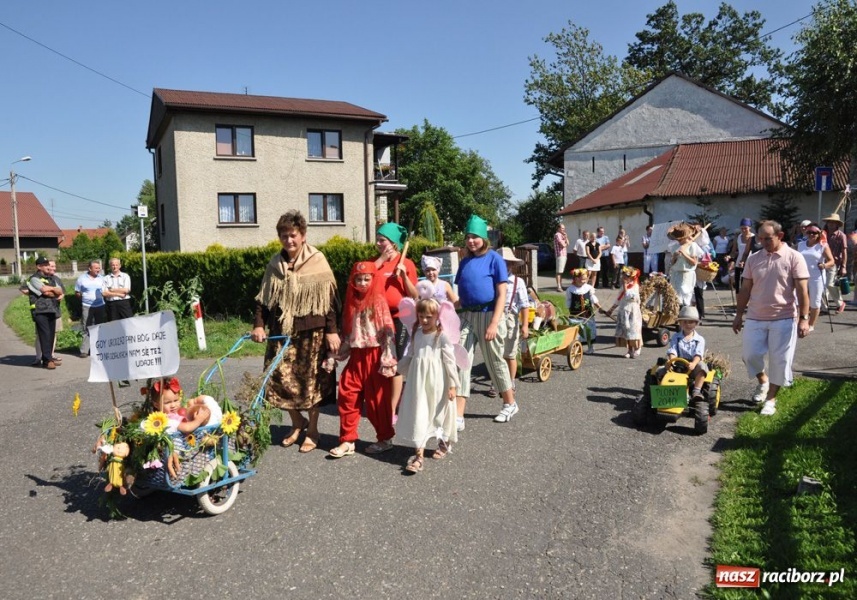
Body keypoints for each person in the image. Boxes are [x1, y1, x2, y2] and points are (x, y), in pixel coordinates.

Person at [251, 210, 340, 454]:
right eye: (284, 235)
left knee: (310, 384)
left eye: (293, 235)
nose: (288, 240)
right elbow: (264, 300)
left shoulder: (318, 260)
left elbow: (330, 300)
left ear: (303, 235)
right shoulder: (274, 264)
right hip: (281, 332)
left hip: (313, 333)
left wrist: (332, 331)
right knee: (276, 379)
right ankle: (296, 422)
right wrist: (259, 324)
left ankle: (312, 430)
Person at [732, 220, 810, 416]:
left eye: (768, 238)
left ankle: (771, 399)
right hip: (755, 316)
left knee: (780, 360)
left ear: (780, 236)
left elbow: (802, 291)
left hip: (783, 318)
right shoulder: (753, 258)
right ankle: (763, 381)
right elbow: (745, 289)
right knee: (749, 355)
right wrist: (739, 315)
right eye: (760, 238)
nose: (763, 242)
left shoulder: (794, 257)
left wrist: (804, 318)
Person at [454, 214, 518, 428]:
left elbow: (502, 293)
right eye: (468, 237)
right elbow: (461, 295)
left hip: (489, 315)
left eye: (475, 237)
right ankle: (459, 416)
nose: (471, 241)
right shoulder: (464, 261)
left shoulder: (494, 259)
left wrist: (494, 322)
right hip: (466, 315)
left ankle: (509, 403)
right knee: (461, 361)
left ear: (483, 238)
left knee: (494, 361)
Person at [329, 261, 398, 458]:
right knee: (347, 395)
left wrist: (388, 359)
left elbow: (388, 332)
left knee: (378, 402)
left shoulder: (378, 302)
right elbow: (348, 333)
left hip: (374, 355)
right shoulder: (351, 302)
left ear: (374, 280)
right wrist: (335, 356)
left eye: (367, 279)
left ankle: (385, 439)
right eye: (358, 279)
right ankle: (347, 440)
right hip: (357, 356)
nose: (362, 283)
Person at [395, 297, 461, 473]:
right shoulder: (416, 334)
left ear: (437, 317)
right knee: (420, 413)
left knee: (439, 414)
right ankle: (419, 456)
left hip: (438, 383)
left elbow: (449, 362)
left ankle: (443, 442)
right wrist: (399, 367)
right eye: (421, 316)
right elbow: (412, 355)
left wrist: (453, 385)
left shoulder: (441, 337)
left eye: (429, 317)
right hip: (418, 383)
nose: (424, 320)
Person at [374, 222, 418, 423]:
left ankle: (392, 408)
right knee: (380, 360)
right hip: (379, 318)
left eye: (382, 240)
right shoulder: (378, 263)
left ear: (393, 243)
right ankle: (382, 403)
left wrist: (403, 277)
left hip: (400, 318)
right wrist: (380, 261)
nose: (378, 243)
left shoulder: (406, 263)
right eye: (378, 240)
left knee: (396, 363)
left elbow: (415, 294)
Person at [490, 247, 530, 396]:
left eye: (507, 263)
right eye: (501, 263)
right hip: (494, 317)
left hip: (510, 318)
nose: (504, 266)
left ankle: (511, 381)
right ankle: (496, 382)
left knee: (510, 354)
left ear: (512, 265)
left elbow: (524, 305)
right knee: (495, 353)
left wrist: (525, 325)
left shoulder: (518, 282)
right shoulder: (492, 280)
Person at [663, 306, 709, 402]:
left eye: (690, 322)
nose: (687, 324)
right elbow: (673, 350)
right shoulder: (676, 337)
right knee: (659, 370)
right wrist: (671, 361)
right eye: (684, 322)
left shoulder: (700, 339)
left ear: (696, 323)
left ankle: (696, 391)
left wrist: (693, 363)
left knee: (702, 367)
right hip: (679, 363)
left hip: (693, 364)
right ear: (680, 323)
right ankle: (661, 392)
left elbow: (698, 354)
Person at [27, 257, 64, 369]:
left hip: (52, 309)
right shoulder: (34, 279)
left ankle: (48, 358)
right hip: (40, 311)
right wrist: (53, 291)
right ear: (39, 267)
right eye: (45, 265)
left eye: (48, 264)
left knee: (51, 335)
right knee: (44, 335)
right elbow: (45, 292)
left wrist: (51, 290)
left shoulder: (52, 278)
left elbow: (60, 291)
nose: (48, 266)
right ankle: (47, 361)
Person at [797, 223, 834, 331]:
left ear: (819, 234)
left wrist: (824, 265)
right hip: (802, 276)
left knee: (815, 301)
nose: (812, 234)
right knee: (800, 300)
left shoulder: (823, 246)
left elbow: (831, 261)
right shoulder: (801, 245)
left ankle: (811, 324)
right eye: (809, 232)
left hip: (816, 277)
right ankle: (801, 320)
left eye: (814, 232)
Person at [605, 266, 643, 358]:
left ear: (631, 277)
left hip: (632, 311)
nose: (623, 278)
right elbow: (619, 298)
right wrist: (611, 309)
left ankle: (637, 348)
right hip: (623, 310)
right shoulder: (623, 286)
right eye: (623, 276)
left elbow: (630, 297)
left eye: (626, 276)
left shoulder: (635, 286)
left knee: (634, 329)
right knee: (626, 331)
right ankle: (629, 350)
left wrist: (626, 287)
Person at [565, 268, 601, 355]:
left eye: (585, 279)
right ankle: (576, 347)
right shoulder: (570, 289)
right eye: (581, 279)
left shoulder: (588, 288)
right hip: (575, 314)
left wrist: (599, 307)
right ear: (575, 278)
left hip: (587, 314)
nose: (584, 281)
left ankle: (590, 347)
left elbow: (593, 298)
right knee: (576, 331)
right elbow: (568, 301)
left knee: (588, 330)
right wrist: (569, 310)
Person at [667, 223, 703, 307]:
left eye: (680, 239)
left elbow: (694, 262)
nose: (679, 241)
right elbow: (672, 263)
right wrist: (674, 257)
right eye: (678, 239)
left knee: (685, 297)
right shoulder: (675, 246)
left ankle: (685, 316)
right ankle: (676, 317)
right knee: (675, 297)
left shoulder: (693, 246)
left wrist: (684, 253)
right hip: (676, 274)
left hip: (686, 275)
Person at [75, 260, 106, 357]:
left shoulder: (102, 278)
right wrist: (85, 300)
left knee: (100, 327)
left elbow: (106, 291)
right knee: (86, 327)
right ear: (90, 268)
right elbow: (77, 292)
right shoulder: (81, 279)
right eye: (96, 268)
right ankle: (84, 350)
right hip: (87, 306)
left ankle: (99, 349)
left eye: (99, 267)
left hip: (100, 306)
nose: (98, 269)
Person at [821, 212, 848, 313]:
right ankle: (824, 308)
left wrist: (843, 266)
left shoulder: (841, 236)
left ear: (837, 224)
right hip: (822, 262)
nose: (831, 224)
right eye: (829, 222)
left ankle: (840, 303)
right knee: (822, 286)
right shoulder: (823, 234)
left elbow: (844, 251)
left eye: (833, 222)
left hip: (834, 263)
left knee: (829, 284)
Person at [731, 218, 758, 293]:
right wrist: (729, 257)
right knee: (737, 286)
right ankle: (738, 303)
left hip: (751, 264)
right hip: (739, 264)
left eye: (745, 228)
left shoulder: (754, 237)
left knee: (748, 285)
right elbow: (733, 251)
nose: (743, 230)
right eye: (742, 228)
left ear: (750, 228)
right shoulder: (738, 237)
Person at [553, 223, 569, 291]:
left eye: (564, 228)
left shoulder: (562, 235)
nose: (563, 230)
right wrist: (565, 243)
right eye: (562, 228)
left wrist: (566, 237)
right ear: (558, 228)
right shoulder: (557, 235)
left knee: (561, 271)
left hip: (564, 255)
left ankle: (561, 285)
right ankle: (558, 287)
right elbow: (563, 245)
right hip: (560, 255)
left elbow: (568, 243)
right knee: (559, 271)